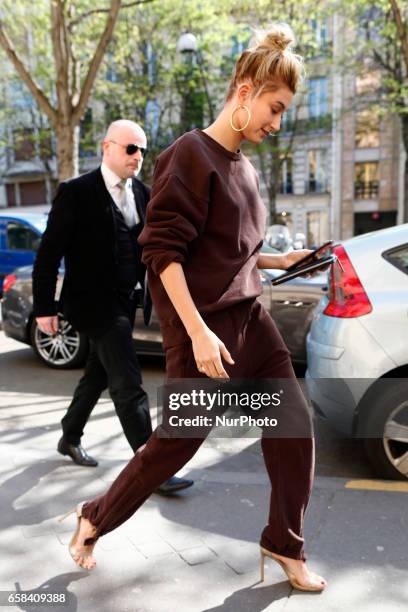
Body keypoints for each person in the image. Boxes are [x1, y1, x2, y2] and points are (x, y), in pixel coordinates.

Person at [60, 25, 328, 592]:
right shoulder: (189, 154)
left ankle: (283, 543)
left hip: (252, 322)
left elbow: (236, 252)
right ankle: (94, 517)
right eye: (274, 109)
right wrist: (200, 332)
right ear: (245, 89)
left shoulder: (246, 170)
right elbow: (162, 253)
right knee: (176, 445)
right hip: (202, 330)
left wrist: (282, 261)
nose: (275, 124)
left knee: (294, 428)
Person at [32, 119, 193, 495]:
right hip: (92, 305)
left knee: (98, 374)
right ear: (107, 147)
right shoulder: (75, 192)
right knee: (127, 383)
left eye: (142, 150)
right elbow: (48, 254)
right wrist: (45, 308)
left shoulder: (143, 193)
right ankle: (153, 469)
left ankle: (69, 436)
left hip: (126, 300)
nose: (138, 156)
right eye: (130, 148)